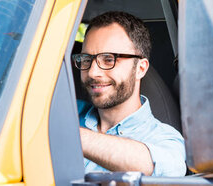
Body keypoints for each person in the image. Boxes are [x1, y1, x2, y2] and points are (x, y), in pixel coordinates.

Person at [73, 11, 186, 177]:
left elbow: (167, 169)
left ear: (140, 69)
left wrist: (67, 134)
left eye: (109, 59)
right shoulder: (66, 110)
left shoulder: (164, 138)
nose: (92, 72)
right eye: (87, 59)